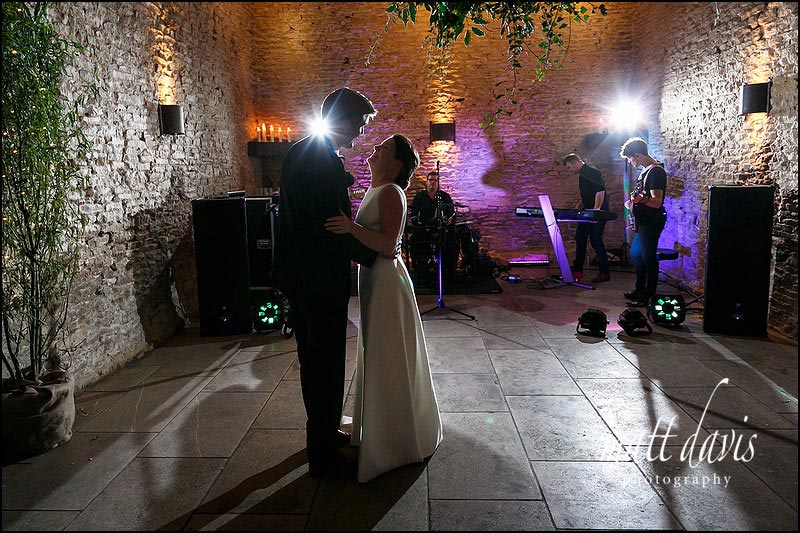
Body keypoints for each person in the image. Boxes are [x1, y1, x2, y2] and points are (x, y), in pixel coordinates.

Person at [271, 87, 382, 478]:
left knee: (312, 360)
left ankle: (322, 432)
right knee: (327, 364)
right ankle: (323, 455)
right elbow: (330, 226)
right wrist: (379, 254)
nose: (362, 132)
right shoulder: (325, 160)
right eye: (360, 123)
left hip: (298, 276)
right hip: (319, 279)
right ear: (344, 119)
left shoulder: (300, 150)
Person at [324, 134, 444, 483]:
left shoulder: (391, 192)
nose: (376, 149)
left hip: (387, 282)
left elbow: (389, 245)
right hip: (374, 278)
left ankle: (394, 440)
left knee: (387, 353)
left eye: (385, 148)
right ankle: (381, 428)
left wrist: (350, 228)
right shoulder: (376, 189)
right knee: (378, 351)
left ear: (396, 164)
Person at [620, 137, 667, 306]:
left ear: (638, 155)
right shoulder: (646, 170)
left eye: (630, 158)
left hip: (651, 221)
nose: (630, 162)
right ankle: (639, 290)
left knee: (648, 257)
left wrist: (640, 200)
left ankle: (647, 296)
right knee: (636, 254)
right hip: (643, 221)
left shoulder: (656, 172)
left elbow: (656, 202)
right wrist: (633, 203)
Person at [563, 153, 611, 283]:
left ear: (575, 162)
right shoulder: (583, 174)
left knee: (596, 240)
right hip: (588, 213)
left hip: (596, 214)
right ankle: (578, 267)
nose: (569, 170)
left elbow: (600, 191)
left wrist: (596, 211)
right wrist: (579, 205)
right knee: (580, 237)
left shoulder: (592, 171)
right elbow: (587, 194)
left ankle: (604, 272)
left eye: (569, 167)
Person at [409, 171, 455, 281]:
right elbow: (414, 216)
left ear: (439, 183)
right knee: (414, 240)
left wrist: (444, 225)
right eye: (430, 180)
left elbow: (451, 216)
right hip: (424, 230)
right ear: (426, 182)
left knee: (451, 240)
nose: (433, 182)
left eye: (435, 180)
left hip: (441, 231)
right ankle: (420, 271)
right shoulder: (419, 197)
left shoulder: (445, 197)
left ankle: (448, 272)